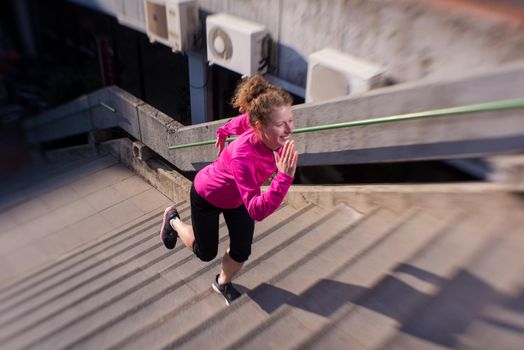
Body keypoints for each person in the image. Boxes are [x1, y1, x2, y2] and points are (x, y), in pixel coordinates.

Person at [159, 75, 298, 305]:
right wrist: (283, 178)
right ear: (260, 126)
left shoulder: (255, 121)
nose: (287, 130)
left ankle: (221, 282)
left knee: (242, 250)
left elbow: (234, 124)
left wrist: (222, 134)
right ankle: (173, 220)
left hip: (238, 197)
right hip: (208, 195)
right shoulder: (243, 155)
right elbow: (256, 210)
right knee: (205, 253)